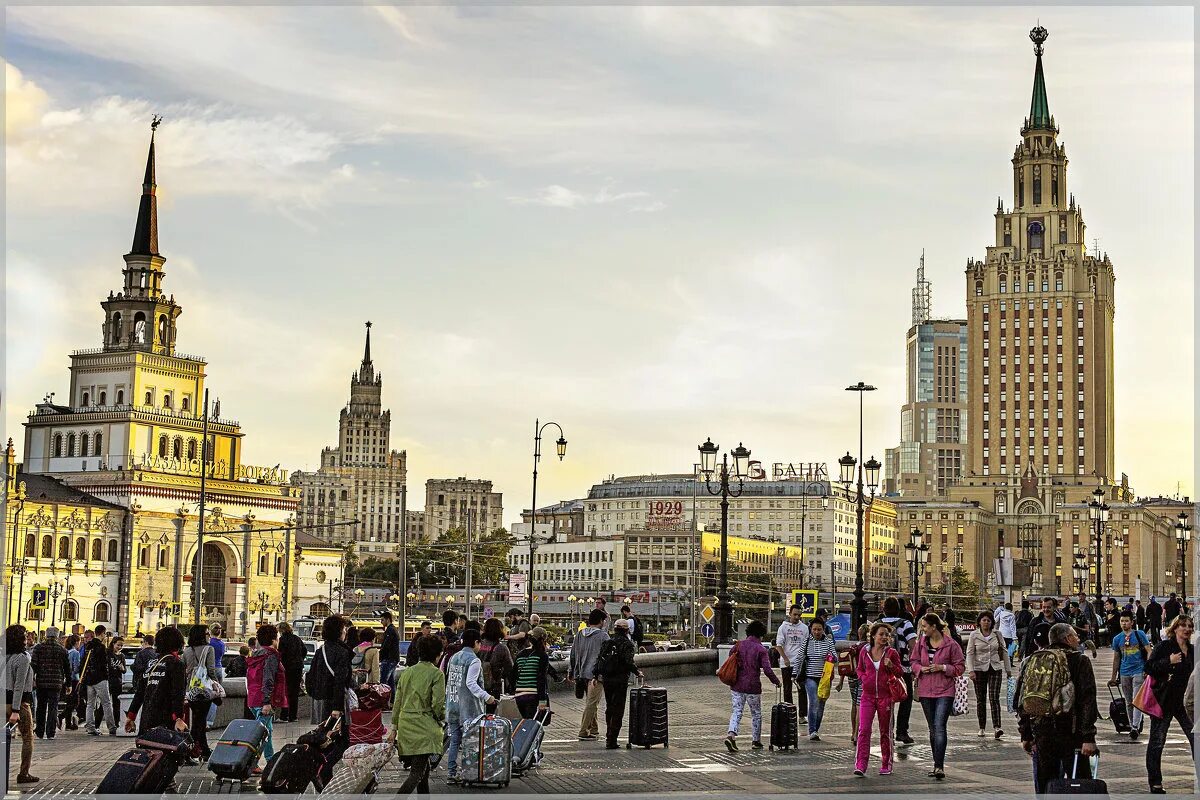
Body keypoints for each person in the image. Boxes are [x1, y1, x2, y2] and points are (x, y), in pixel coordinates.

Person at [1015, 623, 1098, 795]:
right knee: (1080, 784)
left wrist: (1026, 734)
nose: (1078, 638)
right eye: (1075, 635)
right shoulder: (1079, 661)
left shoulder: (1032, 660)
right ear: (1067, 639)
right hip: (1072, 733)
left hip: (1042, 732)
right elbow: (1087, 700)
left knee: (1047, 785)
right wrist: (1088, 737)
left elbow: (1022, 699)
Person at [388, 635, 446, 796]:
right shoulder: (436, 674)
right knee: (417, 774)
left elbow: (397, 703)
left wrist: (394, 728)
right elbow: (437, 704)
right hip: (424, 727)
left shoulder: (407, 673)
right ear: (437, 654)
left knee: (423, 771)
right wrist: (441, 718)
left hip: (406, 726)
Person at [1144, 614, 1195, 794]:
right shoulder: (1165, 646)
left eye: (1189, 626)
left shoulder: (1193, 650)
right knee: (1157, 742)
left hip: (1185, 703)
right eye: (1183, 626)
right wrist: (1168, 662)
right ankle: (1155, 782)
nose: (1187, 629)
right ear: (1175, 629)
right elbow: (1148, 667)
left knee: (1195, 738)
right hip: (1164, 700)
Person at [911, 613, 965, 781]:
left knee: (939, 725)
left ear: (934, 627)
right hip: (926, 690)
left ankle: (939, 765)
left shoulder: (951, 645)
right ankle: (936, 762)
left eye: (924, 626)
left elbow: (960, 667)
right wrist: (921, 669)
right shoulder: (921, 644)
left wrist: (942, 667)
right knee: (932, 728)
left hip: (945, 690)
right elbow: (913, 662)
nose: (922, 629)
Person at [444, 630, 496, 784]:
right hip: (469, 709)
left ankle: (451, 773)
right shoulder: (474, 660)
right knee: (470, 742)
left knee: (455, 741)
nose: (480, 646)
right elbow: (471, 683)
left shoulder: (454, 657)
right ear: (475, 643)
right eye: (479, 643)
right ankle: (469, 772)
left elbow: (449, 679)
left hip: (453, 705)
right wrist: (487, 697)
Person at [722, 620, 781, 752]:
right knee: (756, 713)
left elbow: (731, 657)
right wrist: (776, 681)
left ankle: (731, 735)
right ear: (761, 634)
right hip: (753, 687)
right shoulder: (761, 649)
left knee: (737, 711)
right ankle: (756, 741)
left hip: (737, 685)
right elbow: (767, 669)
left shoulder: (738, 645)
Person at [853, 622, 902, 777]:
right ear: (873, 635)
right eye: (881, 634)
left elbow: (900, 672)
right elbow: (859, 668)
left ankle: (886, 763)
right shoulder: (864, 652)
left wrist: (891, 666)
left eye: (887, 635)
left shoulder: (892, 653)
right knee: (864, 730)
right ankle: (861, 764)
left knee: (885, 731)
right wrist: (863, 678)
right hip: (867, 696)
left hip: (885, 697)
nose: (884, 637)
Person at [125, 626, 189, 738]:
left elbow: (140, 692)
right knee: (166, 752)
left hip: (147, 719)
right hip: (166, 720)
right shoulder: (176, 663)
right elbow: (178, 693)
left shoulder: (152, 663)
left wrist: (131, 716)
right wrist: (178, 718)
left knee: (149, 752)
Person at [246, 624, 287, 772]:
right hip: (263, 701)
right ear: (273, 639)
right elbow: (268, 679)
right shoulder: (271, 655)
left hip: (253, 698)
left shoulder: (256, 654)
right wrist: (267, 702)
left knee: (266, 731)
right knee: (260, 735)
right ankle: (250, 763)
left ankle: (270, 760)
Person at [878, 597, 917, 745]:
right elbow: (913, 645)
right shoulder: (905, 624)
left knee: (887, 701)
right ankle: (902, 731)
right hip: (903, 668)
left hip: (882, 669)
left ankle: (889, 733)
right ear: (900, 609)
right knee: (905, 698)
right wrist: (914, 665)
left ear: (884, 610)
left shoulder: (877, 625)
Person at [965, 611, 1011, 739]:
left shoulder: (997, 634)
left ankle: (997, 727)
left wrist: (1008, 670)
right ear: (979, 622)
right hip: (979, 669)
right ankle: (982, 727)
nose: (986, 622)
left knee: (994, 697)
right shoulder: (974, 635)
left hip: (995, 668)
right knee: (981, 699)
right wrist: (971, 670)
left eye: (988, 620)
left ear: (992, 622)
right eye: (984, 620)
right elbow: (970, 653)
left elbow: (1004, 650)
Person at [598, 618, 642, 749]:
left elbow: (600, 659)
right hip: (620, 680)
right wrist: (637, 671)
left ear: (615, 629)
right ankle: (612, 739)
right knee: (618, 709)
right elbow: (628, 661)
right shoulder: (627, 644)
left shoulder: (607, 642)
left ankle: (608, 735)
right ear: (626, 630)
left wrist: (596, 674)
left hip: (607, 679)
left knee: (609, 707)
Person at [1108, 609, 1151, 740]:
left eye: (1127, 621)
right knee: (1128, 701)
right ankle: (1133, 724)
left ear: (1132, 622)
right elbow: (1116, 658)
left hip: (1138, 670)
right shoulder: (1117, 639)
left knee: (1136, 700)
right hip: (1124, 672)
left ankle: (1134, 727)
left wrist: (1147, 669)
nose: (1124, 623)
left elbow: (1149, 651)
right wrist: (1113, 677)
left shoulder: (1139, 634)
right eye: (1122, 621)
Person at [5, 625, 40, 784]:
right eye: (25, 636)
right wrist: (16, 710)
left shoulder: (3, 655)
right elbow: (19, 685)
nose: (27, 639)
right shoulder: (23, 657)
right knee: (28, 737)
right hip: (18, 703)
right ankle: (24, 773)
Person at [568, 609, 609, 741]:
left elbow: (573, 654)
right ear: (601, 621)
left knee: (590, 701)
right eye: (604, 621)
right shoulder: (603, 636)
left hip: (581, 673)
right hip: (595, 675)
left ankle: (594, 729)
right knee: (592, 703)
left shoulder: (580, 634)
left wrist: (571, 671)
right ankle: (583, 731)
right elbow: (607, 658)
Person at [183, 625, 218, 760]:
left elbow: (185, 669)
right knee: (200, 720)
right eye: (207, 633)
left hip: (190, 690)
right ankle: (189, 748)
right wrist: (215, 685)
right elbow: (211, 671)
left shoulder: (187, 651)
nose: (208, 635)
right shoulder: (209, 649)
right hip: (204, 690)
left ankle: (203, 750)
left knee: (199, 719)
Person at [30, 626, 70, 741]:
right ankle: (51, 732)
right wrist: (68, 684)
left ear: (46, 635)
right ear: (57, 636)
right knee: (53, 708)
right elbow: (67, 668)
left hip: (41, 682)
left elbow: (34, 665)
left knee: (41, 707)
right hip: (56, 683)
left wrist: (32, 679)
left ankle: (40, 731)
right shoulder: (62, 650)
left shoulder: (38, 648)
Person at [800, 617, 836, 741]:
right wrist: (795, 675)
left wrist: (830, 657)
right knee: (814, 701)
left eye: (819, 629)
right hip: (810, 677)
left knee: (821, 704)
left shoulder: (829, 642)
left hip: (824, 678)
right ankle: (812, 730)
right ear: (811, 629)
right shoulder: (806, 641)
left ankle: (816, 728)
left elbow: (835, 657)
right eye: (814, 629)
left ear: (823, 629)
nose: (816, 632)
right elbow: (800, 658)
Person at [773, 604, 811, 723]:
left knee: (802, 688)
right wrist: (785, 658)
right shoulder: (783, 627)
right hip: (787, 663)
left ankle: (802, 715)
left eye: (799, 615)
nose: (797, 617)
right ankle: (790, 713)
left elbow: (807, 645)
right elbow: (778, 645)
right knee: (787, 689)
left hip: (800, 663)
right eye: (794, 614)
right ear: (790, 614)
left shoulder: (804, 628)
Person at [510, 627, 556, 719]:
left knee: (526, 723)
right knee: (535, 726)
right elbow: (541, 679)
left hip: (519, 696)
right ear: (543, 640)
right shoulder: (542, 655)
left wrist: (515, 690)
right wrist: (542, 701)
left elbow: (513, 676)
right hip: (534, 696)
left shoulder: (520, 654)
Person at [835, 624, 870, 744]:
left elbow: (845, 663)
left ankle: (852, 732)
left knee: (854, 704)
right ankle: (857, 733)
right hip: (862, 678)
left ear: (859, 634)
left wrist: (840, 682)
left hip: (851, 678)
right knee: (860, 704)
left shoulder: (853, 646)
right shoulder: (868, 647)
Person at [277, 622, 307, 722]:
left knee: (285, 691)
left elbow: (280, 654)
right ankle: (293, 716)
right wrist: (299, 659)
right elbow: (304, 650)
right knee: (294, 692)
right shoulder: (297, 638)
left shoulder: (282, 640)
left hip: (287, 668)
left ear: (282, 630)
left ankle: (284, 716)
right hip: (297, 668)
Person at [480, 617, 514, 704]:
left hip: (477, 684)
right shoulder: (501, 648)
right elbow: (510, 668)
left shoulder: (478, 644)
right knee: (491, 713)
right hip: (493, 685)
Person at [205, 624, 227, 729]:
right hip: (219, 669)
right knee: (216, 695)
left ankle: (205, 721)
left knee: (206, 694)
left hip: (210, 669)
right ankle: (210, 721)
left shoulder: (209, 643)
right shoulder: (222, 644)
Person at [107, 636, 126, 724]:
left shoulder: (122, 656)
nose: (119, 647)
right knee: (105, 703)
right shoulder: (108, 653)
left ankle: (117, 722)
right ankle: (98, 724)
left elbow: (124, 670)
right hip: (108, 680)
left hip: (117, 682)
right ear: (113, 643)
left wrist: (122, 668)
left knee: (117, 704)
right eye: (118, 645)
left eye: (121, 646)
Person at [380, 612, 400, 688]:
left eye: (382, 620)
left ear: (388, 620)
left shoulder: (390, 630)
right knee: (391, 683)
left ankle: (383, 699)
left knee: (383, 682)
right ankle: (392, 699)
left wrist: (380, 655)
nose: (381, 622)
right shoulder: (393, 629)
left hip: (389, 659)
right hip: (393, 659)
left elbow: (386, 645)